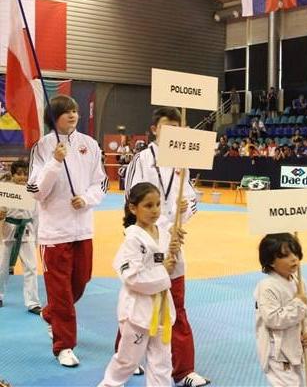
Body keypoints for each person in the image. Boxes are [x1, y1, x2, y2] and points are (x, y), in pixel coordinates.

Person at [123, 107, 210, 386]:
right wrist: (158, 225)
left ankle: (184, 371)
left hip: (173, 243)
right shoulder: (142, 159)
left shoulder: (183, 160)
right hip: (147, 242)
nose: (173, 131)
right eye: (167, 126)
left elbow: (192, 199)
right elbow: (133, 199)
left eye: (177, 126)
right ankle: (129, 357)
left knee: (177, 307)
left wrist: (181, 216)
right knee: (140, 306)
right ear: (154, 130)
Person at [27, 95, 108, 367]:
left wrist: (86, 199)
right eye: (66, 112)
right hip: (54, 233)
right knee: (60, 292)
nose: (73, 115)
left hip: (83, 229)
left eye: (75, 110)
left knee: (80, 282)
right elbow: (36, 191)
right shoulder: (43, 147)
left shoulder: (90, 145)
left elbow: (101, 184)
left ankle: (51, 313)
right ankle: (64, 346)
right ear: (54, 117)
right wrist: (55, 162)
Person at [98, 183, 180, 387]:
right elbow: (132, 278)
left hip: (161, 308)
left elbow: (173, 270)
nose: (155, 210)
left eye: (158, 204)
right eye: (148, 205)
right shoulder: (132, 240)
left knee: (162, 362)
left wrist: (175, 252)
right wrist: (164, 271)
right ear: (133, 208)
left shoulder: (164, 233)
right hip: (137, 310)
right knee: (128, 361)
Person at [254, 233, 307, 387]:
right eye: (286, 255)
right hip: (278, 354)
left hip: (296, 350)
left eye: (295, 253)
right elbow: (273, 319)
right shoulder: (267, 287)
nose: (294, 258)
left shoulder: (299, 282)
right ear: (272, 262)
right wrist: (298, 304)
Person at [0, 160, 41, 313]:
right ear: (12, 175)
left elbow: (37, 217)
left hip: (27, 231)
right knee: (1, 268)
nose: (22, 178)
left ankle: (32, 302)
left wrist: (37, 239)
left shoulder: (34, 192)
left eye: (25, 174)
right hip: (7, 232)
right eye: (19, 174)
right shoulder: (5, 190)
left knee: (31, 267)